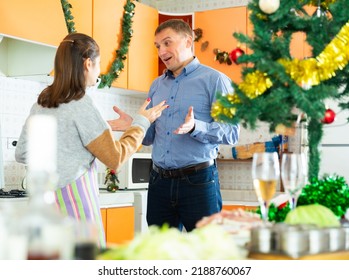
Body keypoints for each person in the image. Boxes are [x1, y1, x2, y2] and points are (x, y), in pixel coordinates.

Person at [15, 32, 168, 249]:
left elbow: (22, 152)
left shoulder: (42, 103)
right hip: (74, 208)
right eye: (98, 64)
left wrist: (85, 136)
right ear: (88, 63)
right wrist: (141, 122)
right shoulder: (82, 104)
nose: (99, 70)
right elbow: (115, 158)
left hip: (43, 207)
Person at [143, 19, 240, 232]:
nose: (161, 51)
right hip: (159, 182)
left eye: (167, 43)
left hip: (199, 183)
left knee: (207, 252)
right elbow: (150, 137)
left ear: (188, 41)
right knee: (160, 253)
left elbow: (232, 133)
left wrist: (196, 127)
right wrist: (136, 125)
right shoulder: (156, 85)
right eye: (158, 46)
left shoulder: (215, 80)